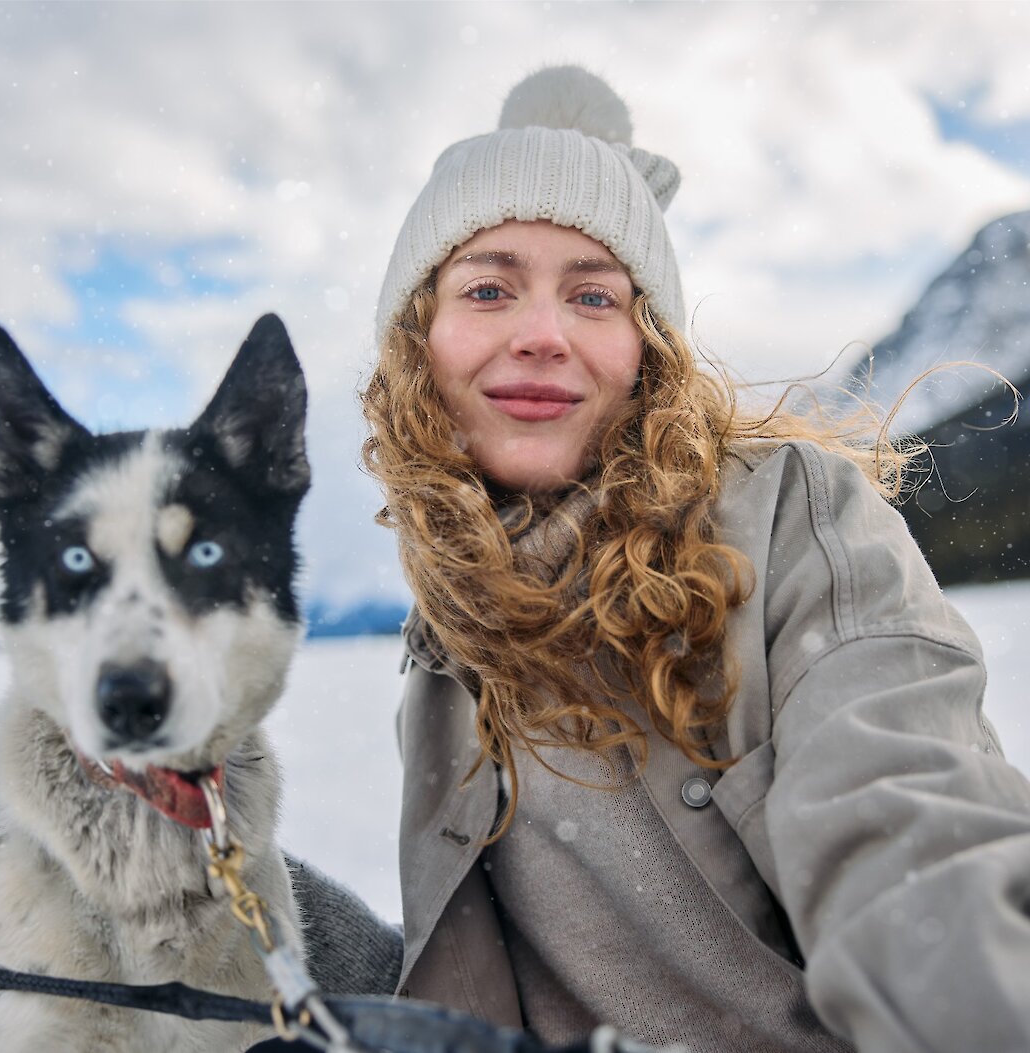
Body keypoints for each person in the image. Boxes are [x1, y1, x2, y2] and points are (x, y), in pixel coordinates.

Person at [356, 65, 1030, 1053]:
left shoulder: (791, 518)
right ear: (419, 340)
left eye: (594, 295)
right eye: (489, 287)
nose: (544, 335)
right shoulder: (450, 633)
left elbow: (912, 841)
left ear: (648, 349)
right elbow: (468, 987)